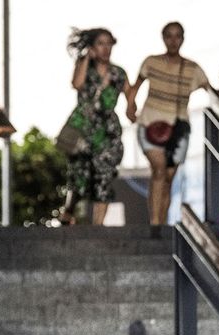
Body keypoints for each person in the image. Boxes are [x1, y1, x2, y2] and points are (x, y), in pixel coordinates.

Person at [126, 21, 219, 234]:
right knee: (159, 171)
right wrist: (130, 106)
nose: (173, 40)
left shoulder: (192, 68)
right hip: (150, 124)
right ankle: (155, 225)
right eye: (169, 36)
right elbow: (135, 87)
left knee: (169, 178)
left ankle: (161, 224)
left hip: (178, 129)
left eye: (178, 36)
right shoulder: (151, 62)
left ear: (183, 39)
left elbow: (212, 93)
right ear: (163, 38)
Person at [59, 28, 133, 226]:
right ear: (92, 47)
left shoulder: (119, 73)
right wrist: (85, 59)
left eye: (109, 43)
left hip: (107, 131)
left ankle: (97, 227)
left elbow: (130, 97)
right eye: (101, 43)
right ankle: (68, 212)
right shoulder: (85, 67)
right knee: (79, 177)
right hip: (84, 128)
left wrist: (133, 111)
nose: (106, 48)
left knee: (104, 175)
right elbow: (77, 84)